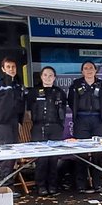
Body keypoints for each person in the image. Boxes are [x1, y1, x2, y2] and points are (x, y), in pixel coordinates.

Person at [68, 60, 102, 193]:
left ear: (95, 71)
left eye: (91, 68)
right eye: (86, 68)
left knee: (97, 153)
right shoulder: (76, 85)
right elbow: (70, 102)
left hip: (98, 121)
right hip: (81, 120)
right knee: (81, 153)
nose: (88, 70)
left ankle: (97, 184)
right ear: (82, 71)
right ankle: (81, 185)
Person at [0, 56, 26, 182]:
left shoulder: (17, 84)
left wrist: (20, 121)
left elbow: (20, 105)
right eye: (8, 67)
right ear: (3, 69)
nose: (11, 69)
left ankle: (8, 182)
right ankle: (5, 184)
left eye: (13, 67)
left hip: (14, 123)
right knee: (6, 155)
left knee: (12, 154)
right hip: (1, 123)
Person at [29, 65, 67, 195]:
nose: (48, 78)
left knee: (53, 158)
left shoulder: (60, 92)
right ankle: (41, 186)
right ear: (41, 77)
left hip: (55, 128)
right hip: (39, 128)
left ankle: (53, 185)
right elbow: (29, 111)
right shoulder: (34, 92)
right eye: (45, 75)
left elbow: (63, 110)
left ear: (54, 77)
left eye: (51, 75)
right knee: (42, 159)